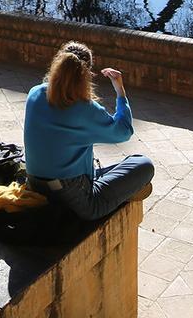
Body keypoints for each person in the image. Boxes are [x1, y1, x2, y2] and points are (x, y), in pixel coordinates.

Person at [23, 41, 154, 221]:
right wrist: (120, 92)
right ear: (86, 75)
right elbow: (124, 131)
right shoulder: (86, 109)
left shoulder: (34, 94)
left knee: (117, 167)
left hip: (35, 183)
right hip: (75, 200)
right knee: (143, 164)